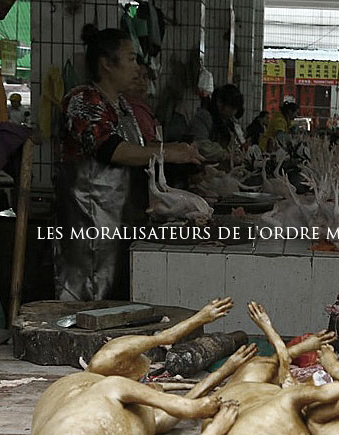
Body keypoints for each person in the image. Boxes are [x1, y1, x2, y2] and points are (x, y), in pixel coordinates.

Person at [56, 25, 202, 301]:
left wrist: (176, 150)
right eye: (132, 58)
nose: (138, 67)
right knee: (86, 306)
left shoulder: (122, 105)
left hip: (124, 225)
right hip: (89, 228)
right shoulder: (83, 100)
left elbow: (137, 148)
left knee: (121, 303)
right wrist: (167, 153)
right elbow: (109, 149)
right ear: (107, 64)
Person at [190, 84, 245, 149]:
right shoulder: (203, 118)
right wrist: (224, 154)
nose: (233, 112)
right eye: (231, 107)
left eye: (236, 108)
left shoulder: (230, 122)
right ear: (219, 102)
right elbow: (199, 144)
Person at [125, 61, 160, 143]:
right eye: (135, 78)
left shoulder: (142, 107)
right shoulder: (133, 109)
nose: (142, 82)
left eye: (145, 77)